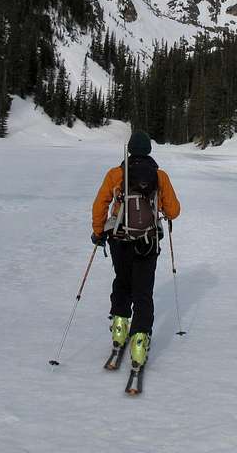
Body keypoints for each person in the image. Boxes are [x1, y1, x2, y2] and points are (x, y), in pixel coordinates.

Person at [91, 131, 180, 367]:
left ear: (130, 150)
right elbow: (174, 211)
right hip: (148, 241)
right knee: (143, 291)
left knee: (122, 281)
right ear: (149, 150)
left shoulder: (115, 174)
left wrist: (98, 231)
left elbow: (100, 204)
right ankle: (140, 343)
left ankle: (120, 328)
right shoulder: (160, 176)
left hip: (119, 238)